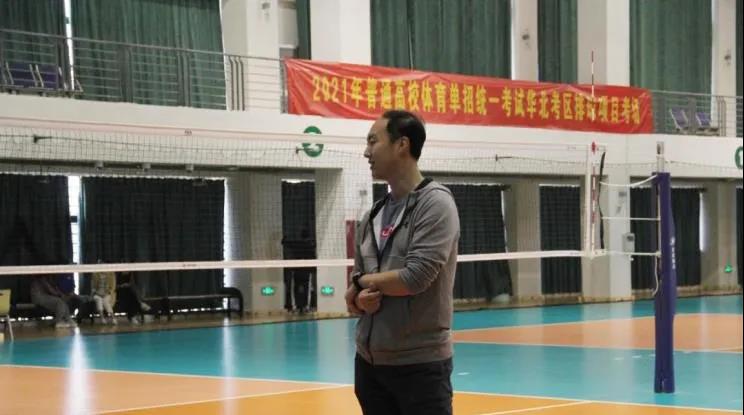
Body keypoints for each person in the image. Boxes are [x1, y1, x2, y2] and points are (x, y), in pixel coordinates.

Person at [345, 110, 460, 415]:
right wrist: (358, 298)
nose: (366, 152)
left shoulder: (435, 203)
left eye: (373, 141)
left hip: (419, 367)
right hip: (370, 365)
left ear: (402, 145)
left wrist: (361, 282)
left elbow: (414, 278)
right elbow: (354, 289)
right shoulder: (372, 214)